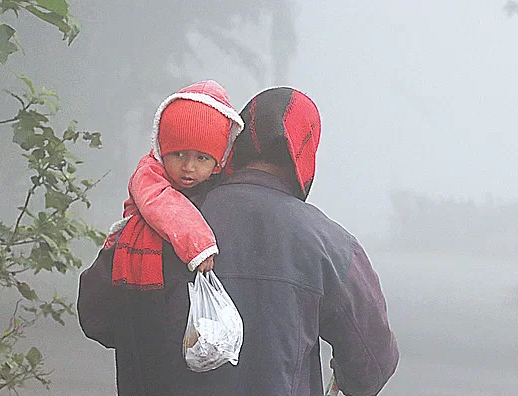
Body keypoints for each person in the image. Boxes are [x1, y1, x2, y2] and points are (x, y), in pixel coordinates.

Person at [78, 87, 399, 396]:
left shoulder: (161, 222)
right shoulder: (331, 244)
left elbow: (97, 318)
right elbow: (372, 364)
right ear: (305, 157)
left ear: (236, 145)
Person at [105, 80, 244, 291]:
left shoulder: (222, 184)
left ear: (219, 162)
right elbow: (162, 202)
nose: (188, 167)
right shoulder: (148, 173)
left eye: (202, 158)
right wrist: (199, 244)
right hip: (133, 260)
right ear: (162, 149)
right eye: (178, 154)